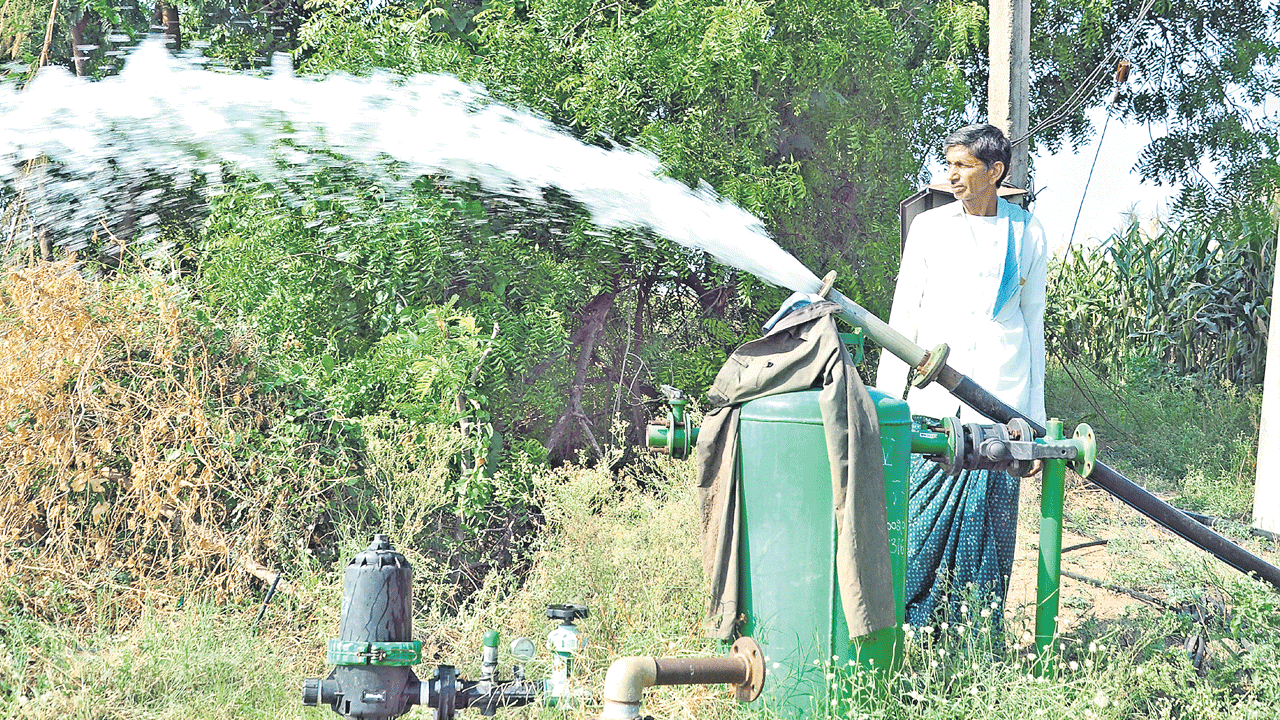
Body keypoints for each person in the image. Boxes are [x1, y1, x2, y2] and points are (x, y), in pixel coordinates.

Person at [876, 123, 1048, 630]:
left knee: (988, 533)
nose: (950, 174)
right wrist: (884, 408)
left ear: (995, 171)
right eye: (947, 163)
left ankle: (974, 638)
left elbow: (1032, 324)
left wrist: (1033, 420)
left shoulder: (1028, 232)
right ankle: (906, 631)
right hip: (935, 410)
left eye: (963, 165)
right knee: (920, 527)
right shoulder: (931, 228)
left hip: (1000, 408)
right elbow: (901, 318)